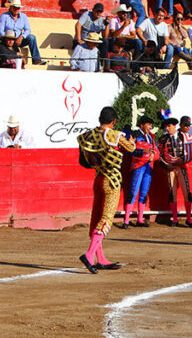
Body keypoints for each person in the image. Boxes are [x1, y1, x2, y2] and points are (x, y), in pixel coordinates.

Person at [77, 106, 139, 274]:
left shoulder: (87, 136)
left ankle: (101, 259)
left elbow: (83, 162)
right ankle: (89, 255)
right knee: (106, 219)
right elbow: (132, 149)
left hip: (98, 179)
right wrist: (132, 141)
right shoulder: (113, 134)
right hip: (111, 180)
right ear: (113, 121)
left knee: (96, 216)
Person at [158, 117, 192, 227]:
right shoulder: (163, 139)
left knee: (186, 192)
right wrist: (167, 165)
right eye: (166, 126)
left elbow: (190, 153)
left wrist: (183, 160)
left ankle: (189, 219)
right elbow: (159, 156)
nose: (167, 128)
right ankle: (175, 219)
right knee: (172, 193)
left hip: (181, 167)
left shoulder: (183, 137)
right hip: (170, 168)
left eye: (169, 126)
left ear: (174, 126)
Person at [123, 115, 158, 228]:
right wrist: (143, 151)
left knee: (143, 192)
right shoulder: (134, 135)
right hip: (138, 166)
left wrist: (153, 156)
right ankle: (126, 221)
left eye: (150, 124)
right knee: (133, 192)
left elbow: (156, 152)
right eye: (148, 124)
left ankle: (140, 219)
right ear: (142, 125)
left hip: (148, 166)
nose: (150, 126)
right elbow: (129, 150)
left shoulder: (151, 137)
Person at [0, 0, 44, 65]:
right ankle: (2, 61)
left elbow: (28, 29)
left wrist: (21, 37)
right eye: (15, 7)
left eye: (18, 8)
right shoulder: (4, 16)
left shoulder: (23, 16)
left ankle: (36, 59)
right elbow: (0, 30)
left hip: (19, 39)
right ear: (10, 7)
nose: (16, 9)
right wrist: (7, 38)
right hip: (7, 40)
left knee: (32, 38)